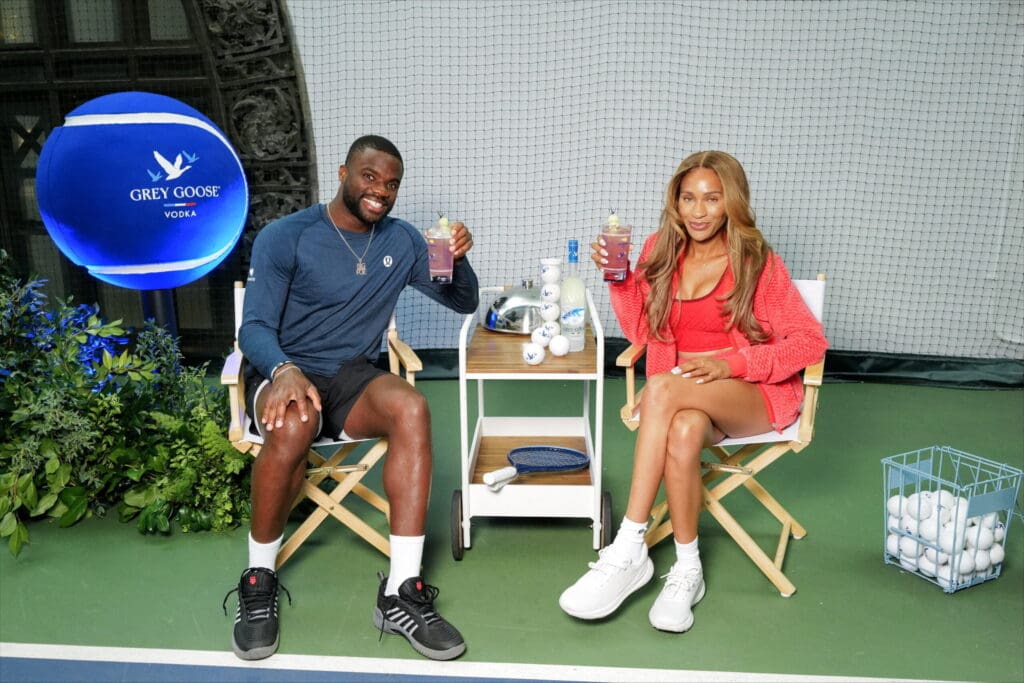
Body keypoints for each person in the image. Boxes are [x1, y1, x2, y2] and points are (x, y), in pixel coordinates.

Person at [224, 135, 478, 661]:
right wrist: (284, 370)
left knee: (412, 405)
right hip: (283, 369)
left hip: (351, 376)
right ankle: (259, 578)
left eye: (391, 184)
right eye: (369, 177)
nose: (380, 191)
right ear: (343, 172)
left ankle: (401, 593)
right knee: (294, 424)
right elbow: (253, 328)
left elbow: (462, 301)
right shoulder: (285, 236)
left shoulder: (404, 242)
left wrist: (458, 258)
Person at [559, 150, 827, 633]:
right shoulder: (659, 248)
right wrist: (618, 280)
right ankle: (687, 568)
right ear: (675, 202)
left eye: (711, 198)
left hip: (749, 394)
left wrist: (733, 361)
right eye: (688, 198)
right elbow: (641, 327)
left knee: (662, 390)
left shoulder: (756, 261)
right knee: (682, 431)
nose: (698, 211)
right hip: (684, 400)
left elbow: (810, 342)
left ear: (731, 203)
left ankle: (627, 548)